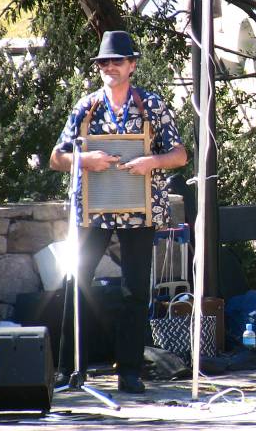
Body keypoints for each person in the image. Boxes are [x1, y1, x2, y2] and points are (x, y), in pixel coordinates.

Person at [49, 30, 187, 393]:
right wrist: (86, 159)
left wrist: (150, 162)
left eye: (117, 61)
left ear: (132, 66)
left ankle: (129, 370)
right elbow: (56, 157)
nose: (109, 67)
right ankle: (67, 368)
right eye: (104, 62)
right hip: (91, 211)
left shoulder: (151, 105)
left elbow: (180, 155)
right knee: (75, 282)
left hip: (140, 210)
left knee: (135, 290)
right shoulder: (86, 106)